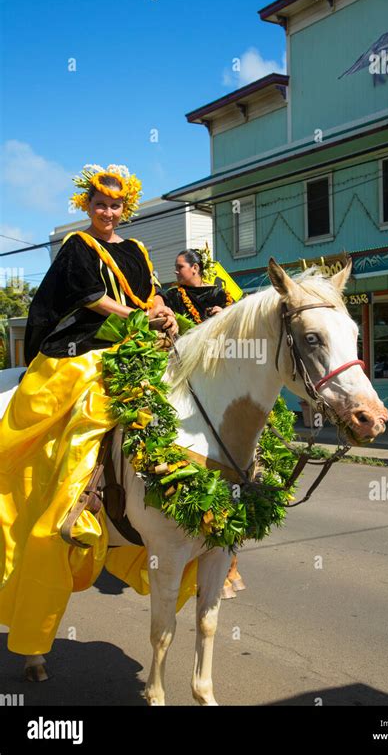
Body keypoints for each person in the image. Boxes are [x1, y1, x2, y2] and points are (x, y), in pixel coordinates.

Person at [0, 165, 200, 659]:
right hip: (86, 345)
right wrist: (136, 315)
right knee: (89, 408)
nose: (107, 213)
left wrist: (163, 309)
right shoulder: (77, 247)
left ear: (124, 209)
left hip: (138, 340)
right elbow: (90, 298)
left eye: (115, 207)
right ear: (86, 207)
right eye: (99, 206)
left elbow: (150, 291)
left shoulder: (135, 250)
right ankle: (75, 499)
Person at [166, 249, 246, 600]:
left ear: (195, 268)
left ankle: (230, 563)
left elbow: (241, 325)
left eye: (180, 267)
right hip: (185, 373)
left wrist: (224, 316)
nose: (177, 272)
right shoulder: (171, 296)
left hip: (220, 372)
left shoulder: (220, 293)